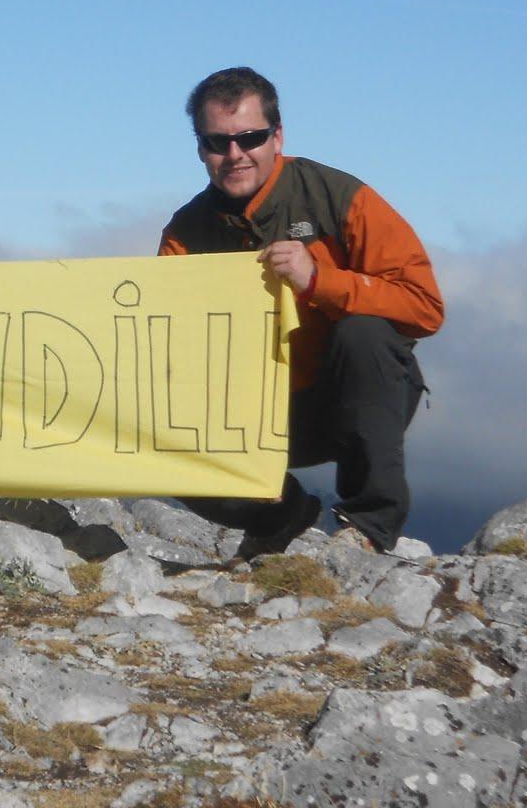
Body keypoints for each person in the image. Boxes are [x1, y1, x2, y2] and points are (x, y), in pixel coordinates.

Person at [159, 67, 443, 558]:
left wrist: (319, 281)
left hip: (356, 398)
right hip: (252, 417)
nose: (235, 154)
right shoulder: (186, 233)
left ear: (278, 136)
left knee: (363, 332)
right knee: (159, 423)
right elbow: (160, 340)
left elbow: (424, 306)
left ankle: (369, 528)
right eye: (217, 142)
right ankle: (280, 518)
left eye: (250, 137)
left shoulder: (340, 199)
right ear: (200, 148)